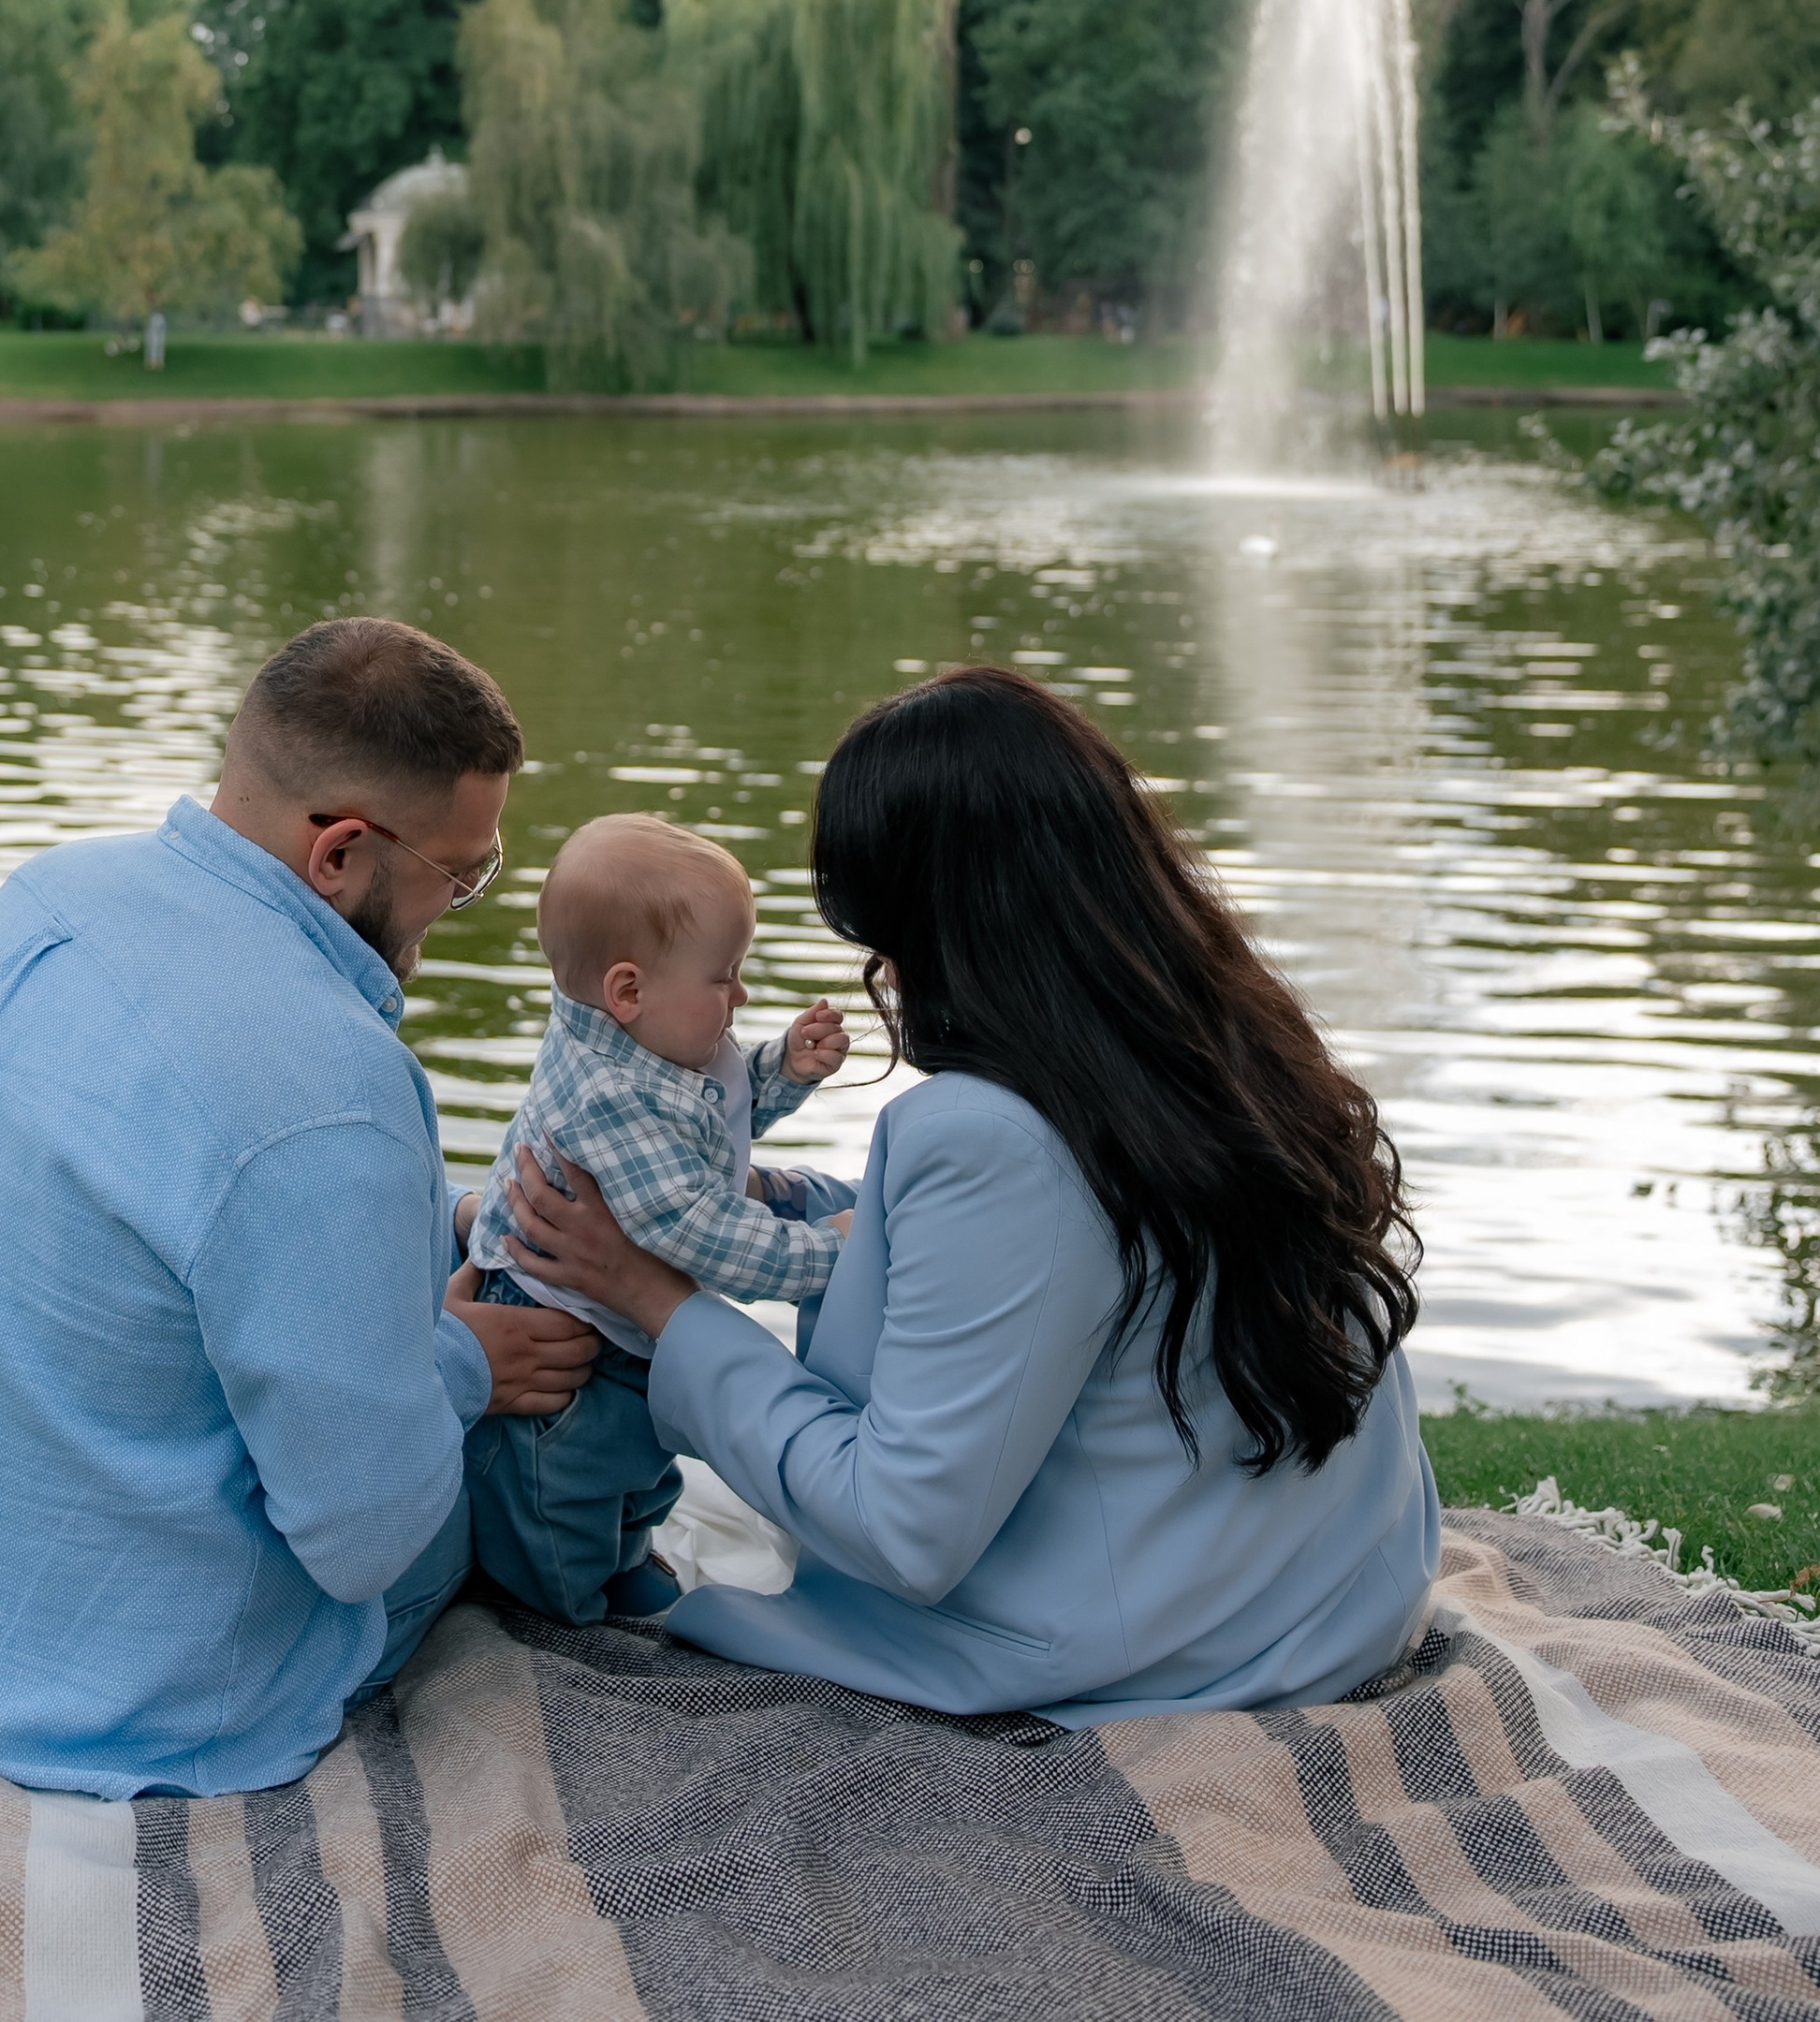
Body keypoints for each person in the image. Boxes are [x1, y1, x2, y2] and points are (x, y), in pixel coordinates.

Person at [0, 617, 596, 1797]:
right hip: (103, 1698)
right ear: (341, 852)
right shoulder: (329, 1087)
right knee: (523, 1460)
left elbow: (191, 1190)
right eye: (460, 875)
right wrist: (461, 1366)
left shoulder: (55, 891)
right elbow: (364, 1541)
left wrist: (442, 1217)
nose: (455, 907)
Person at [505, 667, 1440, 1724]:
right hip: (1338, 1592)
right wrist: (770, 1193)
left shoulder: (987, 1134)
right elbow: (1043, 1248)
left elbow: (903, 1530)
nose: (885, 972)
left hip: (1170, 1651)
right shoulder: (1209, 1037)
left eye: (881, 937)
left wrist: (657, 1301)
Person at [462, 813, 855, 1625]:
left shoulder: (651, 1041)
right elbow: (704, 1231)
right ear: (629, 990)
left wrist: (783, 1069)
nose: (740, 996)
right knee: (561, 1481)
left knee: (643, 1459)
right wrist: (828, 1255)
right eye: (725, 978)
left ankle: (627, 1556)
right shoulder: (609, 1096)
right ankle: (560, 1614)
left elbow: (709, 1118)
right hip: (557, 1331)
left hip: (616, 1317)